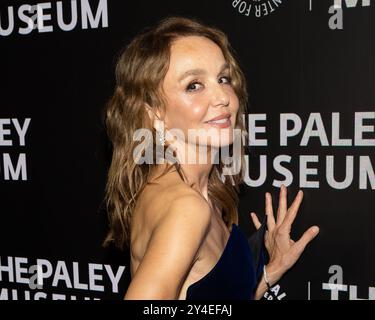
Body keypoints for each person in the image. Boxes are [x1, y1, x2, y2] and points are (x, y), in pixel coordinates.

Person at [103, 16, 320, 300]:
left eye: (223, 78)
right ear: (155, 113)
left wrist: (271, 270)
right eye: (194, 85)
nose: (223, 97)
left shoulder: (191, 190)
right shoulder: (186, 207)